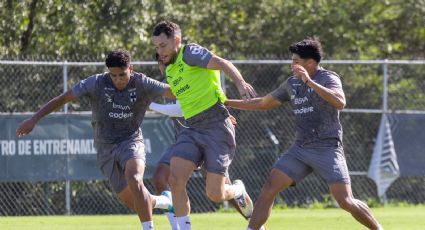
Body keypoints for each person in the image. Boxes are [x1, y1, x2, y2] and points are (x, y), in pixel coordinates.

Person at [225, 37, 383, 230]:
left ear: (310, 63)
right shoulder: (291, 83)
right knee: (269, 188)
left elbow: (340, 102)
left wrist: (309, 82)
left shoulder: (328, 78)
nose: (292, 65)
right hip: (300, 148)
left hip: (327, 148)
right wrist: (225, 102)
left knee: (345, 201)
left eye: (296, 62)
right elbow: (262, 103)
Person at [15, 49, 175, 230]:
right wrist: (34, 119)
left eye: (122, 74)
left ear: (131, 68)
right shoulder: (96, 83)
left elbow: (172, 92)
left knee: (134, 178)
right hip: (104, 148)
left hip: (131, 141)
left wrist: (203, 92)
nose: (118, 79)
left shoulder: (143, 83)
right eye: (113, 75)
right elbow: (64, 98)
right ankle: (164, 201)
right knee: (137, 202)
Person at [152, 20, 256, 230]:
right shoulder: (170, 70)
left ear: (177, 41)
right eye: (156, 47)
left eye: (162, 46)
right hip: (191, 129)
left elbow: (223, 62)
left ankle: (237, 190)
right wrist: (150, 104)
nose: (159, 51)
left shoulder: (189, 53)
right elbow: (185, 104)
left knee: (215, 194)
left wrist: (240, 83)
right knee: (175, 180)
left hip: (216, 127)